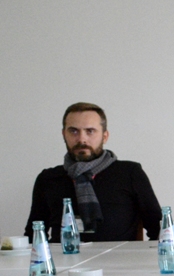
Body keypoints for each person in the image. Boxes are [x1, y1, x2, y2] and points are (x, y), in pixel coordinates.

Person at [25, 102, 162, 242]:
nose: (81, 139)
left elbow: (159, 230)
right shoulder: (48, 178)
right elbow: (33, 234)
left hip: (118, 255)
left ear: (105, 136)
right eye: (73, 131)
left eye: (90, 131)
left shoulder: (129, 173)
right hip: (63, 255)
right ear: (64, 134)